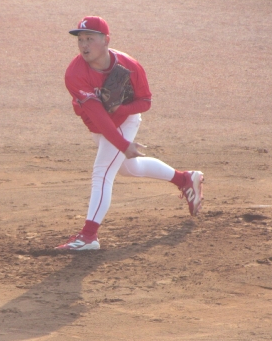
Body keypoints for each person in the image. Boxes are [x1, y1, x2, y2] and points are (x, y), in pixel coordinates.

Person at [56, 16, 204, 251]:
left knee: (102, 172)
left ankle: (89, 236)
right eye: (80, 39)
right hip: (99, 124)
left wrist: (121, 112)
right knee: (128, 168)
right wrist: (123, 145)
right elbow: (99, 116)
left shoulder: (130, 66)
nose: (84, 45)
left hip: (125, 120)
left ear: (106, 40)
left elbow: (145, 102)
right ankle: (185, 179)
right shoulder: (75, 74)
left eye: (90, 39)